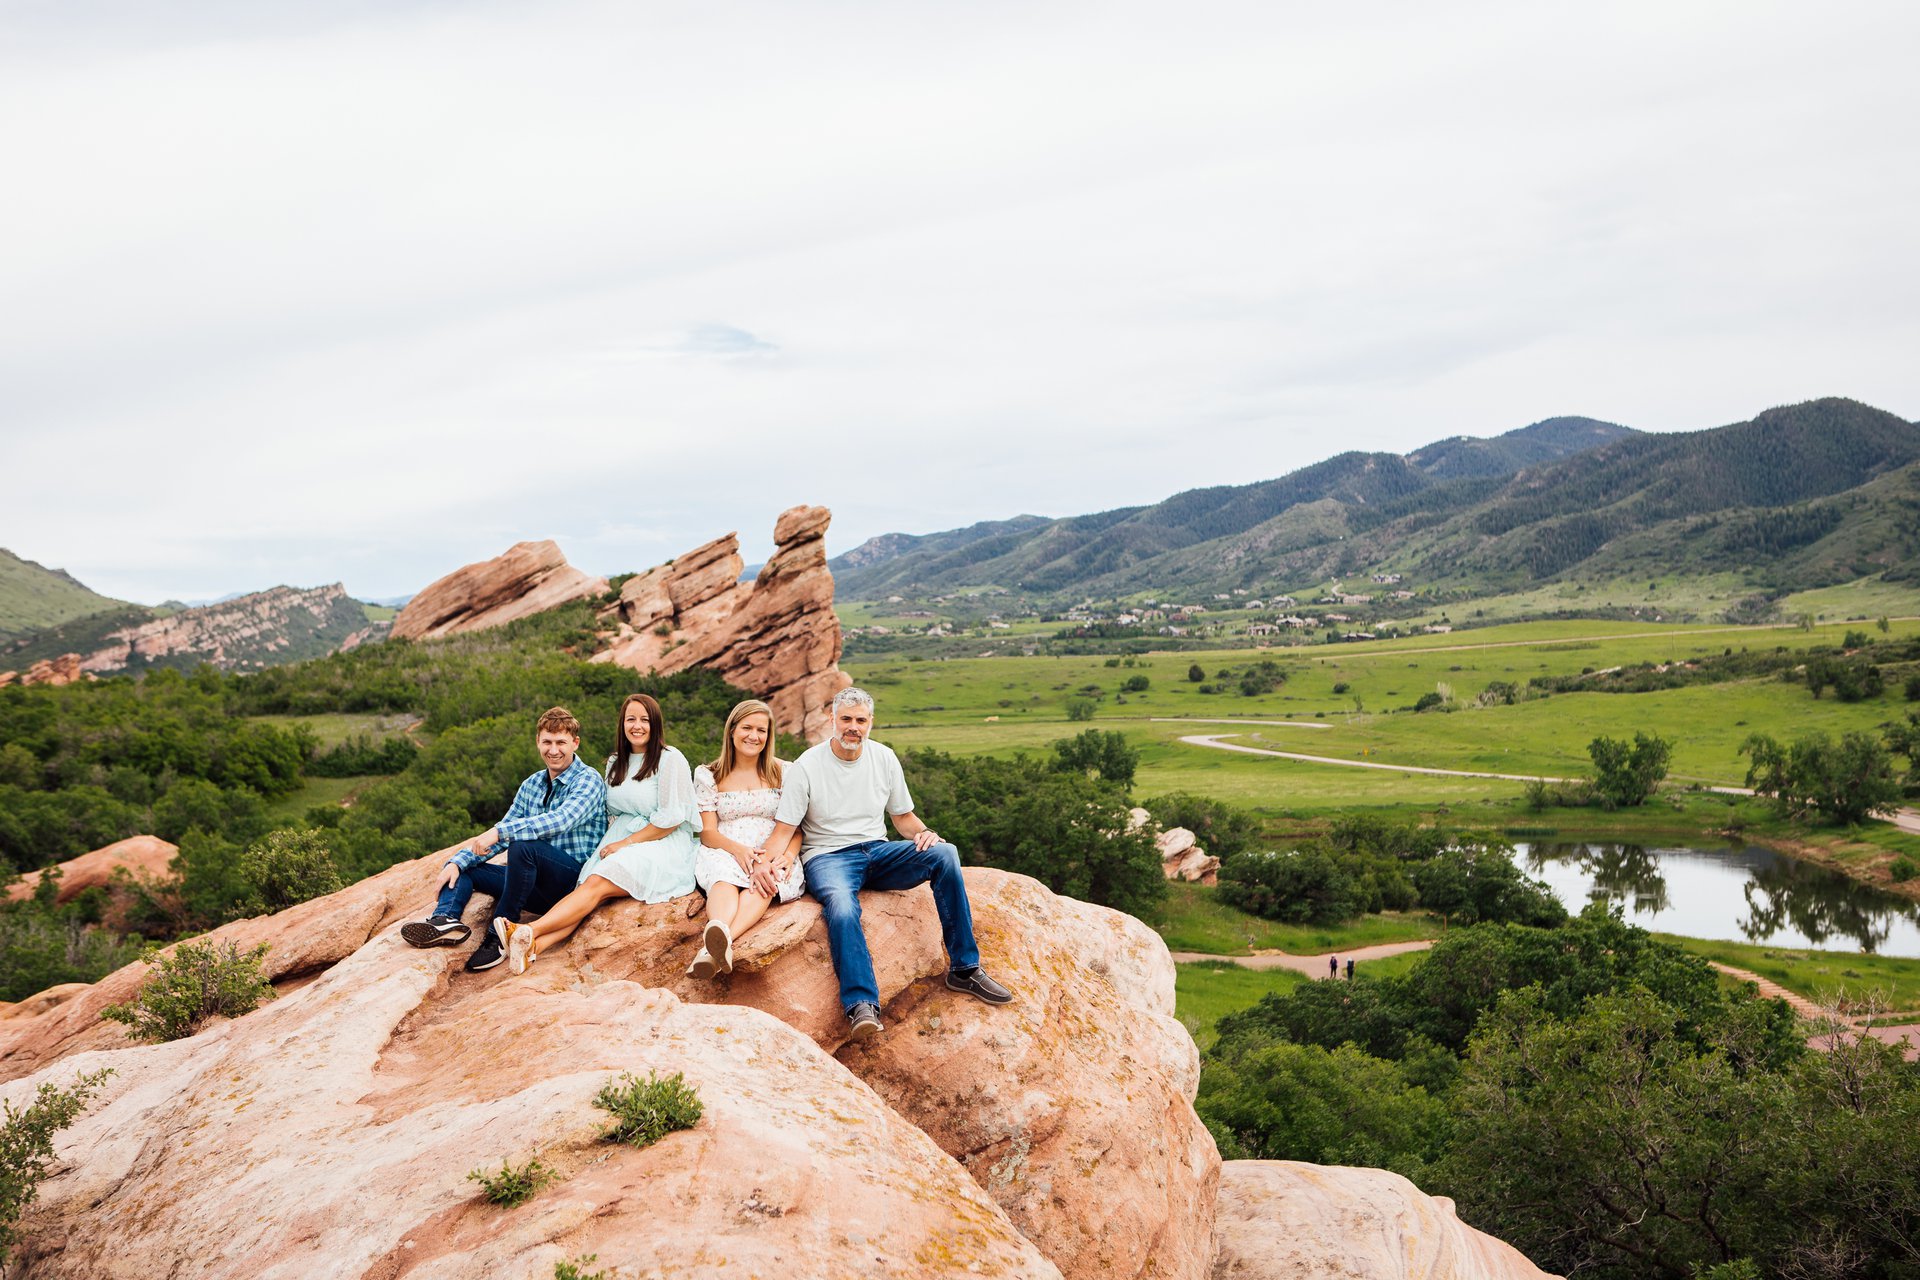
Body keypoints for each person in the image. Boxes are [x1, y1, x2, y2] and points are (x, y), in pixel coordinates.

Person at [756, 687, 1013, 1041]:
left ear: (870, 723)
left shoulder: (884, 758)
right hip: (828, 858)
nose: (853, 727)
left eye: (860, 720)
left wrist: (926, 834)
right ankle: (861, 1004)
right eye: (845, 719)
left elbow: (904, 819)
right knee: (843, 908)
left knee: (945, 853)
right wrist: (762, 863)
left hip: (878, 852)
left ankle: (965, 969)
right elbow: (784, 829)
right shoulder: (807, 766)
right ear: (831, 720)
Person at [498, 693, 699, 974]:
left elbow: (672, 819)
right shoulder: (616, 761)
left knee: (596, 886)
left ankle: (527, 929)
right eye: (631, 719)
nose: (637, 726)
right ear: (622, 724)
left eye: (644, 720)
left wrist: (625, 844)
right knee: (590, 893)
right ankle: (534, 947)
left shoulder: (669, 758)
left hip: (659, 841)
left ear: (655, 724)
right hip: (620, 837)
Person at [401, 706, 608, 972]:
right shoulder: (531, 784)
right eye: (547, 742)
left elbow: (562, 820)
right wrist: (457, 861)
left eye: (561, 743)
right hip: (533, 885)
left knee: (523, 847)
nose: (553, 750)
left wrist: (500, 832)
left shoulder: (588, 780)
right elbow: (501, 834)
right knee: (467, 868)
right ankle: (445, 920)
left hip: (570, 883)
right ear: (537, 742)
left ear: (575, 743)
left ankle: (499, 935)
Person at [686, 698, 806, 979]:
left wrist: (787, 857)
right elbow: (708, 831)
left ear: (769, 735)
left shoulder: (784, 772)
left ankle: (712, 950)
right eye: (747, 728)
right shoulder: (709, 774)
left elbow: (796, 829)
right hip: (726, 846)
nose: (754, 736)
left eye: (761, 730)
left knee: (767, 880)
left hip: (772, 849)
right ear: (732, 731)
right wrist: (738, 851)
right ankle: (717, 932)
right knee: (722, 878)